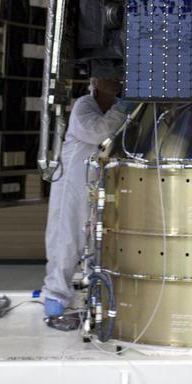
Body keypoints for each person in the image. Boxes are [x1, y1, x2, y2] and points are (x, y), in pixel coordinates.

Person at [41, 77, 130, 318]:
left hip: (99, 181)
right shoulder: (85, 105)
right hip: (73, 180)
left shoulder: (117, 110)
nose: (115, 81)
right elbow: (97, 132)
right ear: (96, 82)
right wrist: (123, 107)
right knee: (66, 237)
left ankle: (94, 292)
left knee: (97, 238)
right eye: (109, 77)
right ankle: (55, 293)